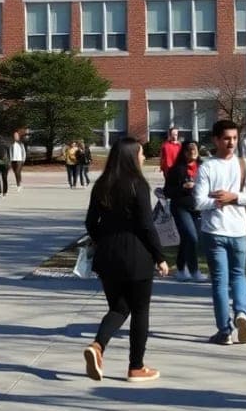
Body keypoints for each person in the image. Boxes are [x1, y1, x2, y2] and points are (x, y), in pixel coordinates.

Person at [82, 137, 170, 383]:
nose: (143, 157)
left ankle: (98, 346)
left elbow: (90, 223)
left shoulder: (102, 184)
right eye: (141, 153)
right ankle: (136, 366)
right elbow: (146, 225)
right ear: (132, 156)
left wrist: (103, 239)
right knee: (140, 310)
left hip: (107, 256)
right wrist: (159, 256)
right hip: (136, 256)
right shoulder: (137, 184)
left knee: (119, 307)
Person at [193, 119, 246, 345]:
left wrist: (234, 197)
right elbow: (198, 201)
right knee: (227, 279)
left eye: (234, 138)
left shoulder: (244, 164)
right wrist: (217, 202)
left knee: (233, 277)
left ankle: (235, 321)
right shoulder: (207, 167)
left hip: (238, 230)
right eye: (226, 138)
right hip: (215, 231)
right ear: (216, 140)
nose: (231, 142)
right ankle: (229, 325)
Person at [162, 139, 204, 282]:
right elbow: (167, 191)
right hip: (180, 207)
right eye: (188, 151)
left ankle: (180, 269)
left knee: (188, 239)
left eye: (194, 151)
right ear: (184, 152)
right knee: (191, 236)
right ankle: (194, 270)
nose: (192, 154)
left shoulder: (203, 167)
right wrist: (183, 187)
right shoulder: (176, 170)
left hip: (198, 208)